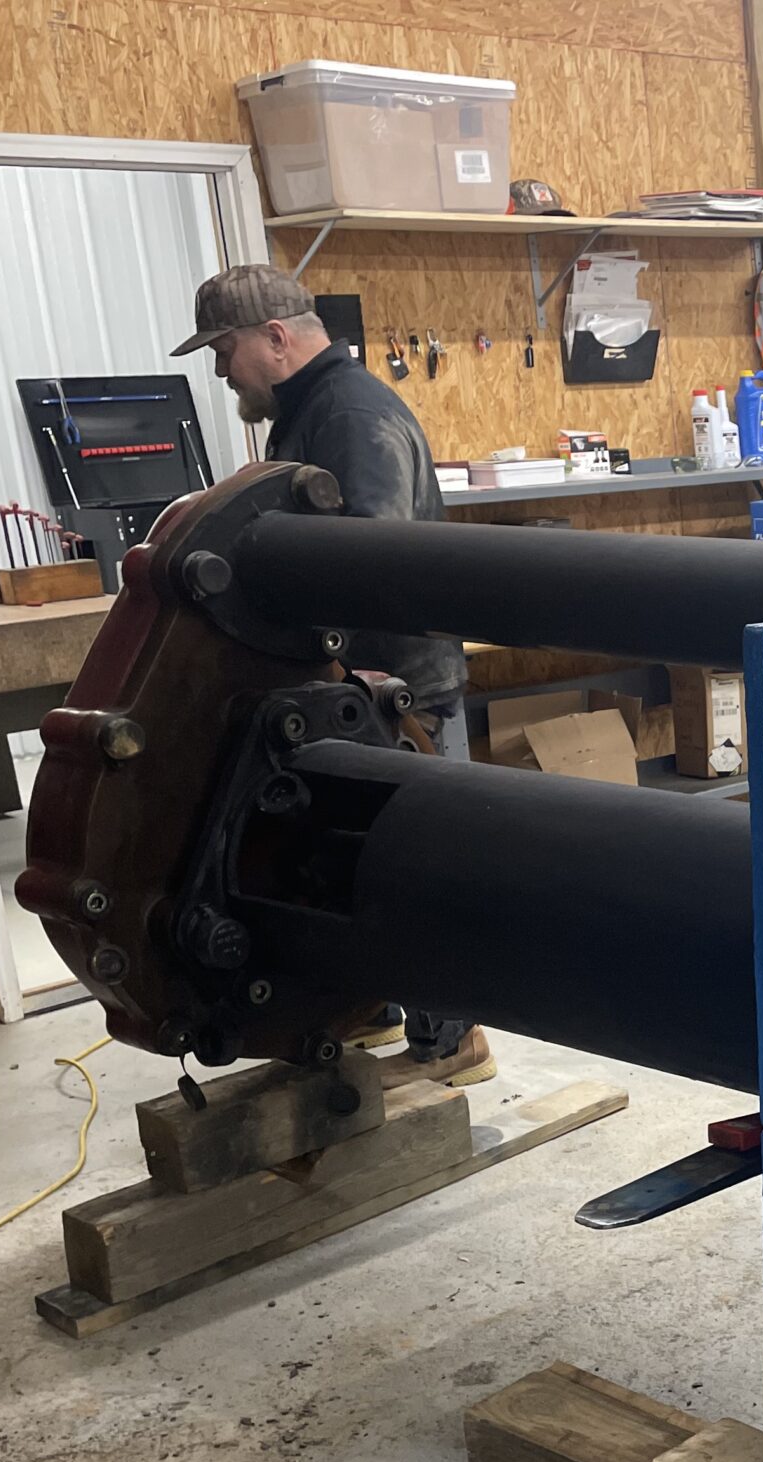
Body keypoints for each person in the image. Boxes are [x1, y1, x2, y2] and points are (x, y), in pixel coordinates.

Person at [173, 264, 492, 1087]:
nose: (221, 371)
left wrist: (358, 675)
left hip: (396, 683)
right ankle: (380, 1007)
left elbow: (369, 556)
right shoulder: (310, 410)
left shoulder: (347, 414)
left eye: (224, 351)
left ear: (276, 338)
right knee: (354, 865)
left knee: (422, 869)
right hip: (356, 682)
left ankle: (454, 1040)